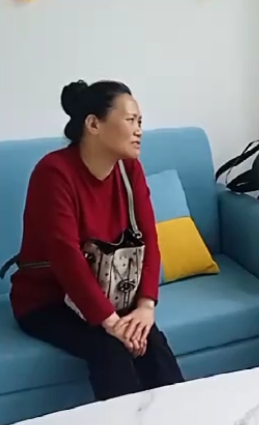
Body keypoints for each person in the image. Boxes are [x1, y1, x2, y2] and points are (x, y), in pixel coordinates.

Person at [8, 80, 184, 401]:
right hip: (48, 301)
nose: (139, 130)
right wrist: (111, 322)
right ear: (93, 124)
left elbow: (149, 240)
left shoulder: (130, 170)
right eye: (130, 120)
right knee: (111, 350)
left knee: (153, 346)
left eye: (140, 121)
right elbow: (66, 258)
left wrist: (145, 307)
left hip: (111, 293)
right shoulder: (53, 173)